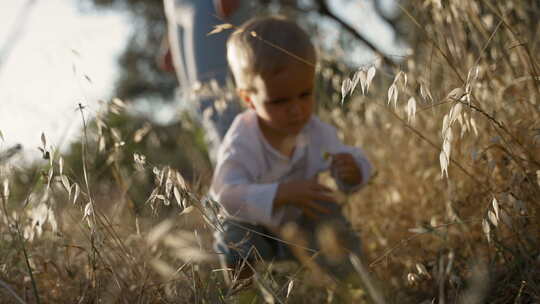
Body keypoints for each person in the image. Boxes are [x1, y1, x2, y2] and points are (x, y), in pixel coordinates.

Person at [210, 16, 373, 283]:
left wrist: (352, 171)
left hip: (303, 226)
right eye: (280, 101)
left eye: (305, 94)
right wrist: (280, 193)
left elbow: (347, 158)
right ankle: (244, 293)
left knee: (331, 214)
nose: (296, 110)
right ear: (248, 98)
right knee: (233, 234)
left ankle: (355, 283)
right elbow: (226, 197)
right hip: (256, 228)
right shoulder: (243, 138)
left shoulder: (315, 131)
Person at [161, 0, 252, 162]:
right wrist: (170, 35)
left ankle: (240, 176)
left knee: (218, 102)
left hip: (206, 5)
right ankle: (227, 177)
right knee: (199, 104)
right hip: (175, 9)